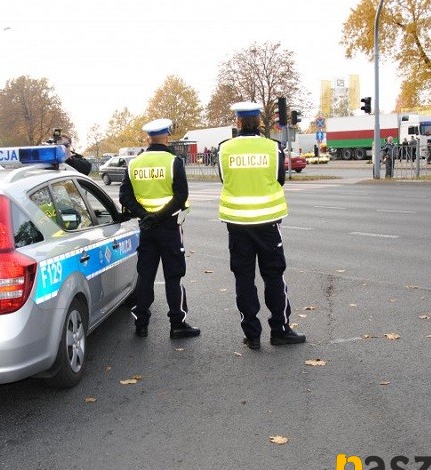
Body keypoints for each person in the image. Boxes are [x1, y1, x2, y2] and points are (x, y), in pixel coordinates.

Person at [217, 102, 305, 350]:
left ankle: (252, 335)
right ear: (259, 122)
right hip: (268, 224)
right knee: (274, 276)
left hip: (237, 224)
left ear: (238, 122)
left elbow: (225, 179)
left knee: (244, 279)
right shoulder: (273, 148)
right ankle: (280, 330)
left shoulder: (224, 149)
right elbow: (280, 179)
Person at [119, 118, 198, 340]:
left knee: (146, 276)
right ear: (167, 138)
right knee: (174, 276)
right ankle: (177, 324)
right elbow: (181, 196)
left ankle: (141, 323)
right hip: (170, 227)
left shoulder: (134, 164)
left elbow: (124, 196)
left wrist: (145, 215)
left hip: (147, 228)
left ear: (148, 139)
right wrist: (159, 216)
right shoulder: (173, 162)